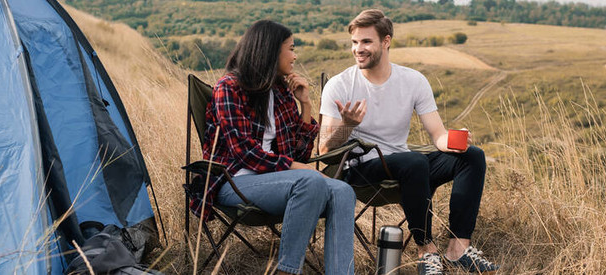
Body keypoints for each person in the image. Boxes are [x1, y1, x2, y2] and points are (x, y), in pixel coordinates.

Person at [319, 10, 499, 275]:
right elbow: (324, 151)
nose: (358, 49)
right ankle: (426, 252)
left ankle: (458, 249)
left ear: (386, 41)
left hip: (404, 163)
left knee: (472, 156)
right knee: (413, 162)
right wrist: (347, 126)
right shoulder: (339, 85)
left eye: (366, 42)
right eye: (355, 42)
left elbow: (437, 135)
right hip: (360, 168)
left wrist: (453, 140)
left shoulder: (413, 80)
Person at [200, 20, 355, 274]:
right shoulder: (228, 88)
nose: (295, 56)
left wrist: (305, 104)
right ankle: (287, 270)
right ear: (271, 51)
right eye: (291, 49)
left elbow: (298, 154)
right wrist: (299, 167)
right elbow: (244, 153)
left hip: (278, 181)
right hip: (233, 182)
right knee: (310, 181)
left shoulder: (281, 91)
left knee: (343, 191)